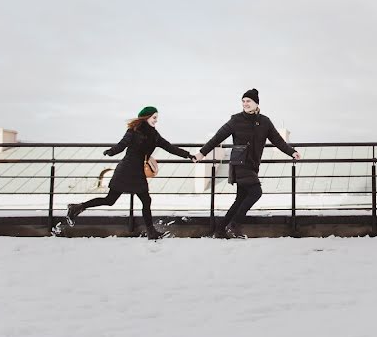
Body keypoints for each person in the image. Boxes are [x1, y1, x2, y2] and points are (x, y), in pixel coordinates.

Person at [66, 106, 195, 239]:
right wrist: (112, 151)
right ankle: (77, 207)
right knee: (110, 200)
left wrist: (188, 155)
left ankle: (151, 232)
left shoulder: (154, 135)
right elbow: (122, 144)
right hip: (125, 170)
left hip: (138, 172)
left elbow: (169, 147)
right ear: (146, 117)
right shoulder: (133, 131)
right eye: (154, 117)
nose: (156, 120)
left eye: (157, 118)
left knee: (146, 200)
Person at [195, 88, 301, 238]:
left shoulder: (265, 121)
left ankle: (220, 229)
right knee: (256, 192)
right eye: (243, 101)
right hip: (239, 163)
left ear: (256, 103)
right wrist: (202, 153)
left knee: (240, 199)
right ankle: (234, 225)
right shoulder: (236, 120)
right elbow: (217, 137)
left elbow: (277, 140)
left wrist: (291, 151)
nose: (245, 104)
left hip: (253, 164)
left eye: (248, 101)